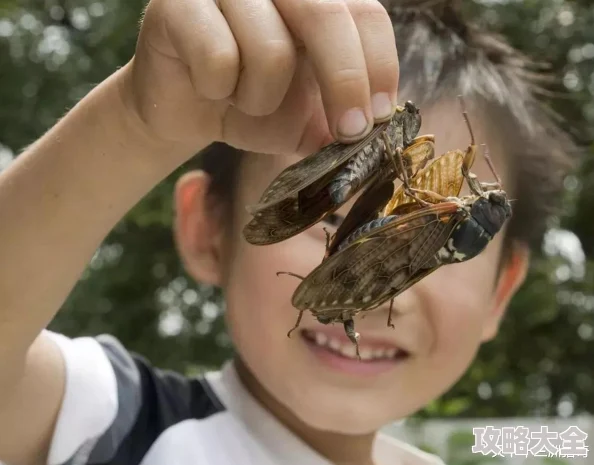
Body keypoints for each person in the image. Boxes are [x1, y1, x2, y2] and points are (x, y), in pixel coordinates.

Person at [0, 0, 576, 464]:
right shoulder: (117, 421)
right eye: (331, 219)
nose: (389, 300)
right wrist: (134, 122)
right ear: (207, 230)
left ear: (503, 290)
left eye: (452, 258)